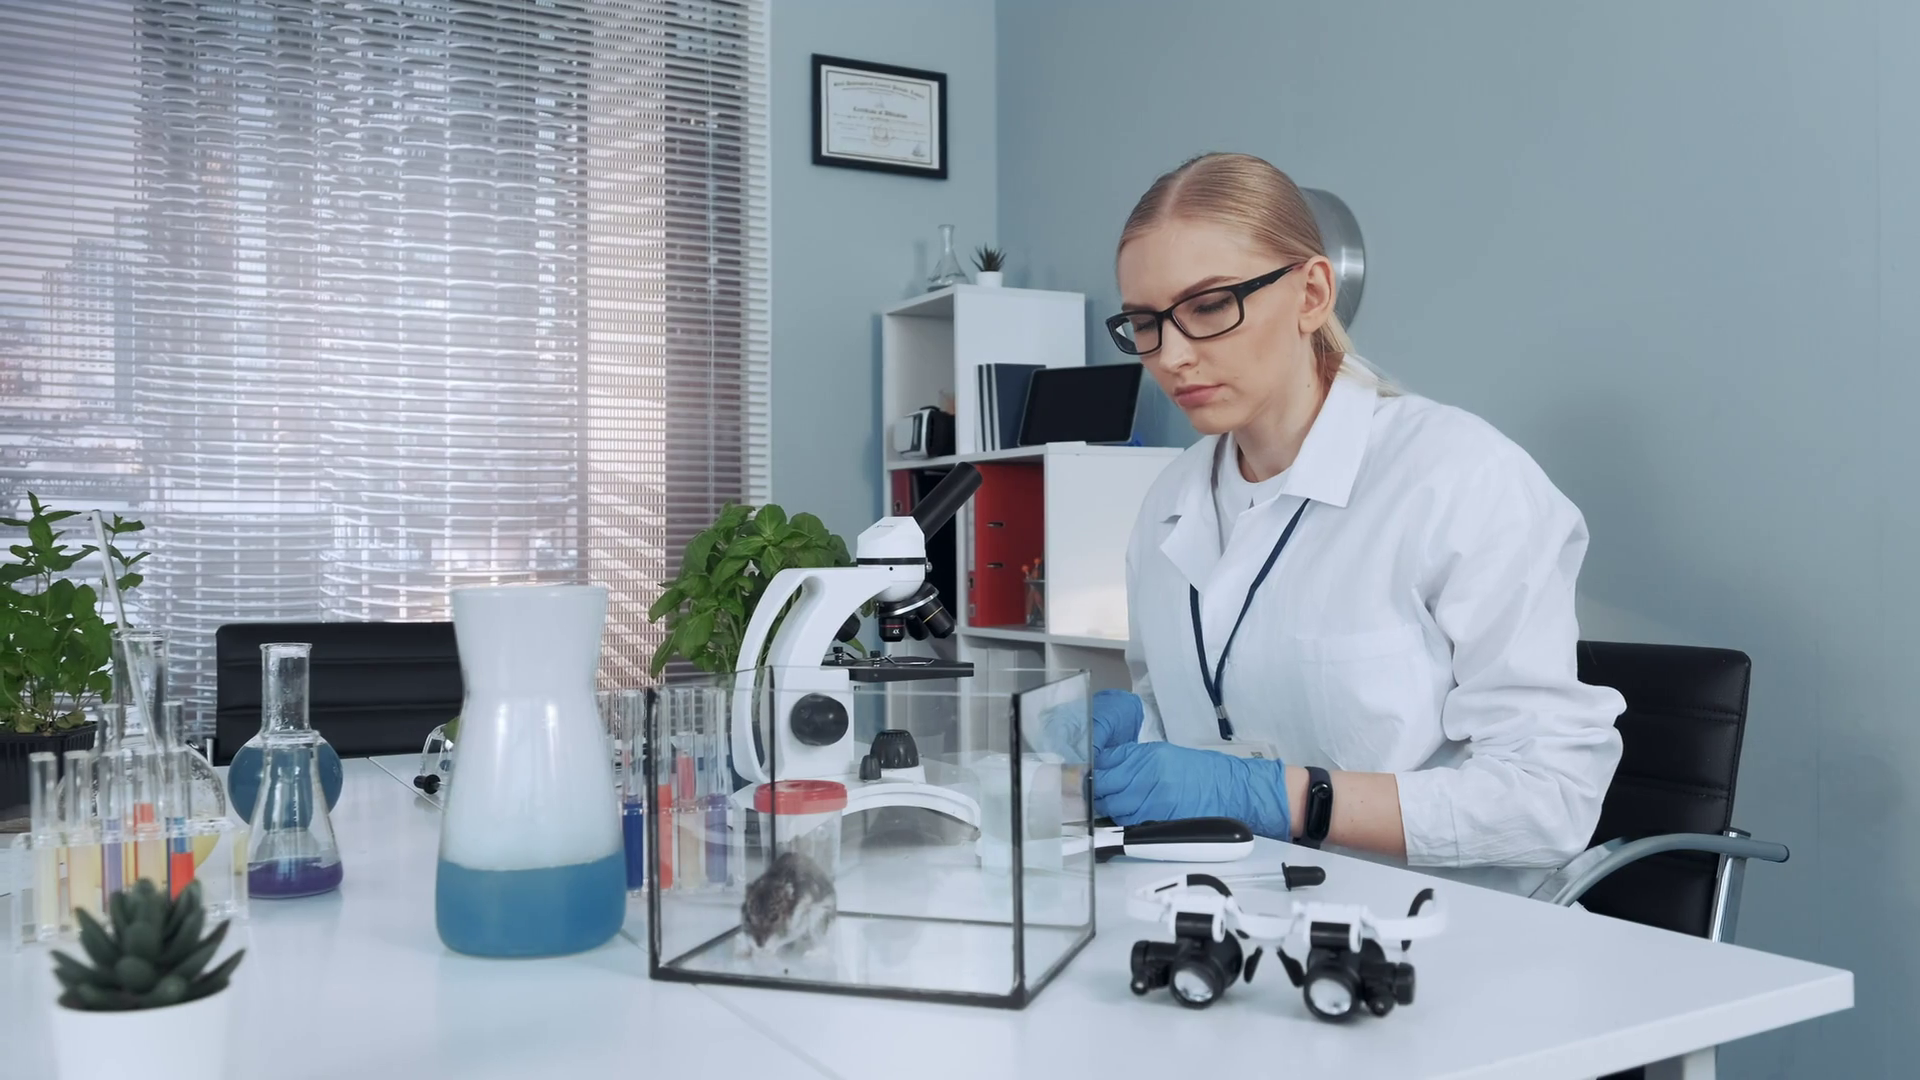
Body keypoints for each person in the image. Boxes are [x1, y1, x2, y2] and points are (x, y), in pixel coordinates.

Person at [1092, 152, 1626, 896]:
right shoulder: (1169, 504)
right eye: (1145, 323)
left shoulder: (1458, 477)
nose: (1172, 355)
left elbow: (1550, 800)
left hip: (1450, 932)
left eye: (1210, 306)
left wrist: (1287, 799)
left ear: (1312, 293)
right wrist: (1126, 744)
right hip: (1233, 909)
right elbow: (1192, 726)